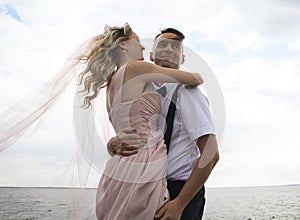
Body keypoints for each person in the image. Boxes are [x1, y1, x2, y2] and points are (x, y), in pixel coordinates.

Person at [75, 24, 203, 220]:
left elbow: (126, 126)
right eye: (138, 42)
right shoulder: (137, 68)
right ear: (123, 45)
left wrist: (112, 144)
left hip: (119, 167)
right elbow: (195, 78)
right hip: (144, 162)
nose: (142, 48)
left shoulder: (111, 84)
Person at [107, 28, 220, 220]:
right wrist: (113, 144)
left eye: (176, 47)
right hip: (146, 188)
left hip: (179, 190)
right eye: (162, 44)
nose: (169, 49)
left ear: (182, 58)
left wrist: (179, 204)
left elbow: (211, 154)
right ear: (151, 56)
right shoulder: (143, 92)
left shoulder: (187, 92)